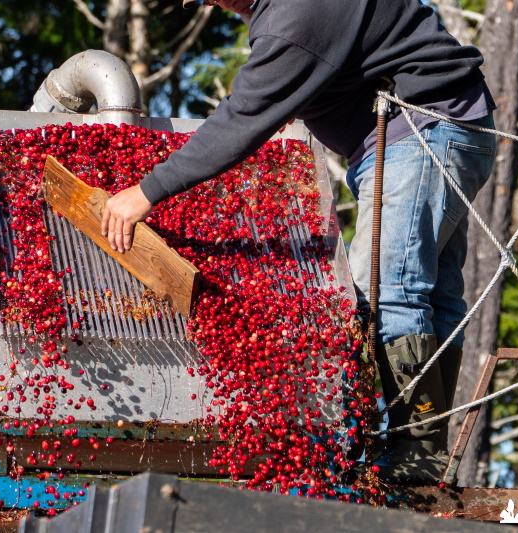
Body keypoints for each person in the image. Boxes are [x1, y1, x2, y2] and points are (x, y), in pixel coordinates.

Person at [100, 0, 497, 483]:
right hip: (450, 125)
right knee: (433, 296)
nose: (216, 5)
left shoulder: (295, 15)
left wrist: (145, 192)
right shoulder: (283, 16)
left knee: (386, 290)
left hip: (423, 132)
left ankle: (415, 455)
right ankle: (425, 451)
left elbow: (244, 116)